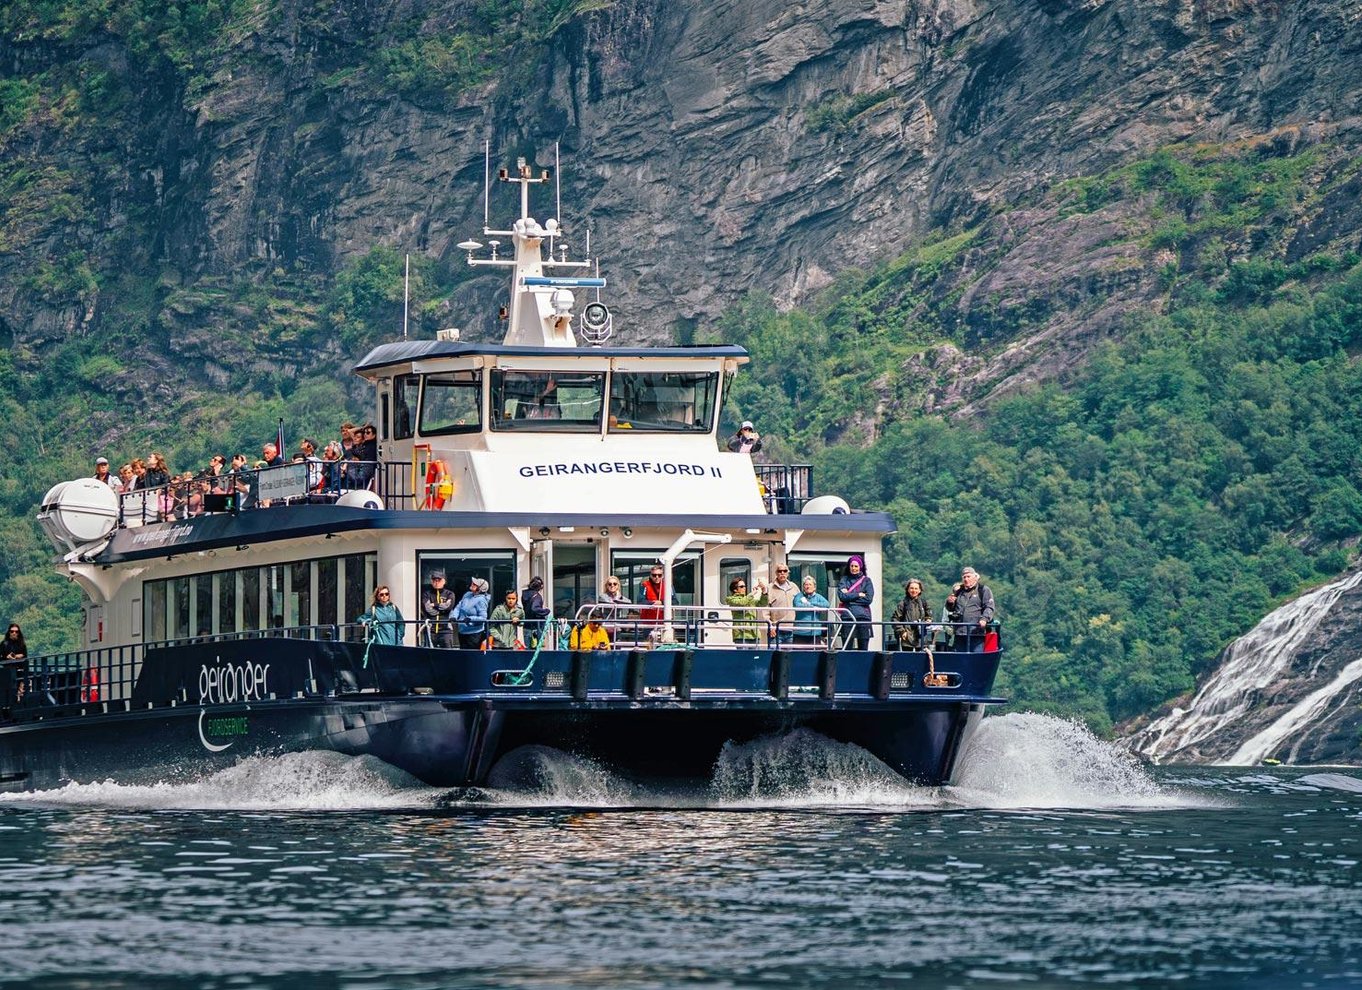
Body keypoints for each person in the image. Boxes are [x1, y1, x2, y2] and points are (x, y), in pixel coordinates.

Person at [946, 566, 996, 652]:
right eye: (964, 577)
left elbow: (989, 607)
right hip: (959, 633)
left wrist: (984, 619)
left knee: (977, 658)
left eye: (968, 576)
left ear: (975, 577)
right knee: (959, 659)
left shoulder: (983, 590)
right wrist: (950, 602)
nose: (966, 579)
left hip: (976, 633)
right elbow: (951, 609)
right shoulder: (959, 591)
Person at [837, 554, 875, 650]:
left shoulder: (867, 581)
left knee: (863, 649)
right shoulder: (844, 580)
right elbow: (842, 597)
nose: (853, 568)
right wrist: (858, 594)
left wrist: (849, 597)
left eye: (856, 566)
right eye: (852, 566)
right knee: (847, 648)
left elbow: (868, 599)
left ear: (860, 567)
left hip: (863, 618)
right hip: (847, 617)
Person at [891, 579, 933, 650]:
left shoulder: (924, 603)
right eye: (911, 588)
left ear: (920, 590)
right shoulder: (903, 604)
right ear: (908, 590)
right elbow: (895, 619)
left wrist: (928, 620)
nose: (914, 591)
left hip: (921, 636)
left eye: (916, 588)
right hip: (907, 637)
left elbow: (929, 616)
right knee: (907, 659)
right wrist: (902, 631)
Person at [724, 576, 767, 644]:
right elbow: (741, 603)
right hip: (741, 634)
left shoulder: (749, 599)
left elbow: (762, 604)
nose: (744, 588)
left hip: (754, 634)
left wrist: (764, 591)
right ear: (735, 590)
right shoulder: (731, 599)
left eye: (745, 586)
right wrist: (752, 594)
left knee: (755, 655)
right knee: (743, 655)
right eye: (741, 586)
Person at [791, 577, 830, 648]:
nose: (808, 586)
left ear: (814, 587)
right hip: (800, 633)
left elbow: (827, 604)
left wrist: (811, 603)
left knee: (815, 657)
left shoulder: (818, 597)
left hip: (815, 633)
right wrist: (813, 608)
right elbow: (798, 606)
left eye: (810, 584)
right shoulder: (798, 596)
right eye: (806, 584)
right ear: (803, 587)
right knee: (798, 657)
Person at [421, 570, 456, 647]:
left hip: (446, 630)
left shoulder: (449, 594)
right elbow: (427, 609)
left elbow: (448, 607)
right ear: (431, 581)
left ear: (444, 581)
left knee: (447, 655)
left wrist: (434, 604)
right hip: (430, 630)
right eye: (434, 580)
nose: (436, 582)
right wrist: (441, 610)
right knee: (429, 655)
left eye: (439, 580)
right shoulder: (426, 594)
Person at [455, 577, 491, 650]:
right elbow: (458, 607)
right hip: (462, 631)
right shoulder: (467, 594)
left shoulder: (482, 600)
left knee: (471, 655)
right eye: (473, 583)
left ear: (480, 588)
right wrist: (454, 616)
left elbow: (483, 618)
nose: (472, 584)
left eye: (475, 584)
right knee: (463, 654)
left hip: (474, 634)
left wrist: (470, 619)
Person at [766, 563, 797, 645]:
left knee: (789, 657)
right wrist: (770, 626)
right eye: (780, 571)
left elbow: (800, 604)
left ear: (788, 573)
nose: (782, 573)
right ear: (776, 573)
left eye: (785, 571)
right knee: (774, 656)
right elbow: (765, 610)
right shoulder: (770, 588)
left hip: (792, 630)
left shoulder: (794, 587)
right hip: (776, 630)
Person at [597, 576, 632, 641]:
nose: (612, 585)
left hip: (616, 627)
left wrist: (619, 596)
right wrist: (617, 599)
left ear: (618, 586)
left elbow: (629, 602)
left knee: (617, 648)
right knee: (605, 648)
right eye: (610, 584)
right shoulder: (602, 596)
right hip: (605, 627)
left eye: (615, 584)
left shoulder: (619, 597)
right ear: (607, 586)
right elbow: (609, 602)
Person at [522, 575, 551, 646]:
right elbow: (534, 608)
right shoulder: (537, 596)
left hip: (526, 626)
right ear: (540, 587)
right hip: (536, 627)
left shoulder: (524, 595)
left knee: (527, 651)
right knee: (537, 650)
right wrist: (546, 611)